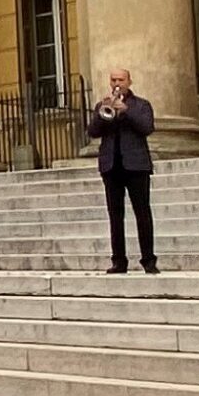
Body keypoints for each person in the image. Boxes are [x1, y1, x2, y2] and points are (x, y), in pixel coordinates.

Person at [87, 68, 158, 274]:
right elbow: (92, 131)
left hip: (137, 165)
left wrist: (125, 111)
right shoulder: (103, 105)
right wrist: (104, 111)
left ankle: (149, 260)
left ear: (129, 81)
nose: (117, 83)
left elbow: (147, 127)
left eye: (121, 79)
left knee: (142, 213)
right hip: (111, 166)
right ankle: (119, 261)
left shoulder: (141, 105)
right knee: (115, 215)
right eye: (113, 79)